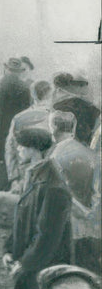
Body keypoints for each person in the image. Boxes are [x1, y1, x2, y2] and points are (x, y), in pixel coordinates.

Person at [2, 127, 71, 289]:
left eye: (21, 147)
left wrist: (24, 264)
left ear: (33, 149)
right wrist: (8, 250)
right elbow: (21, 220)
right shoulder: (34, 176)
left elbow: (46, 237)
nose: (18, 151)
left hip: (44, 269)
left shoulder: (53, 185)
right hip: (32, 267)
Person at [49, 110, 101, 274]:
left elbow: (59, 195)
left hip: (67, 228)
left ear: (54, 128)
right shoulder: (89, 154)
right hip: (92, 228)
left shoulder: (54, 157)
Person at [0, 57, 32, 192]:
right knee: (14, 178)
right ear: (19, 72)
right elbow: (25, 118)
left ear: (6, 68)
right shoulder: (24, 88)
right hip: (16, 141)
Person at [3, 79, 52, 193]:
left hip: (22, 174)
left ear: (33, 96)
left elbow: (10, 150)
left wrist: (13, 179)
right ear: (50, 95)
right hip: (46, 175)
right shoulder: (53, 118)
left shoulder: (19, 118)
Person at [52, 71, 101, 147]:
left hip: (68, 142)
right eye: (87, 85)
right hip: (80, 142)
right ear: (78, 86)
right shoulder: (79, 103)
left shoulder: (57, 104)